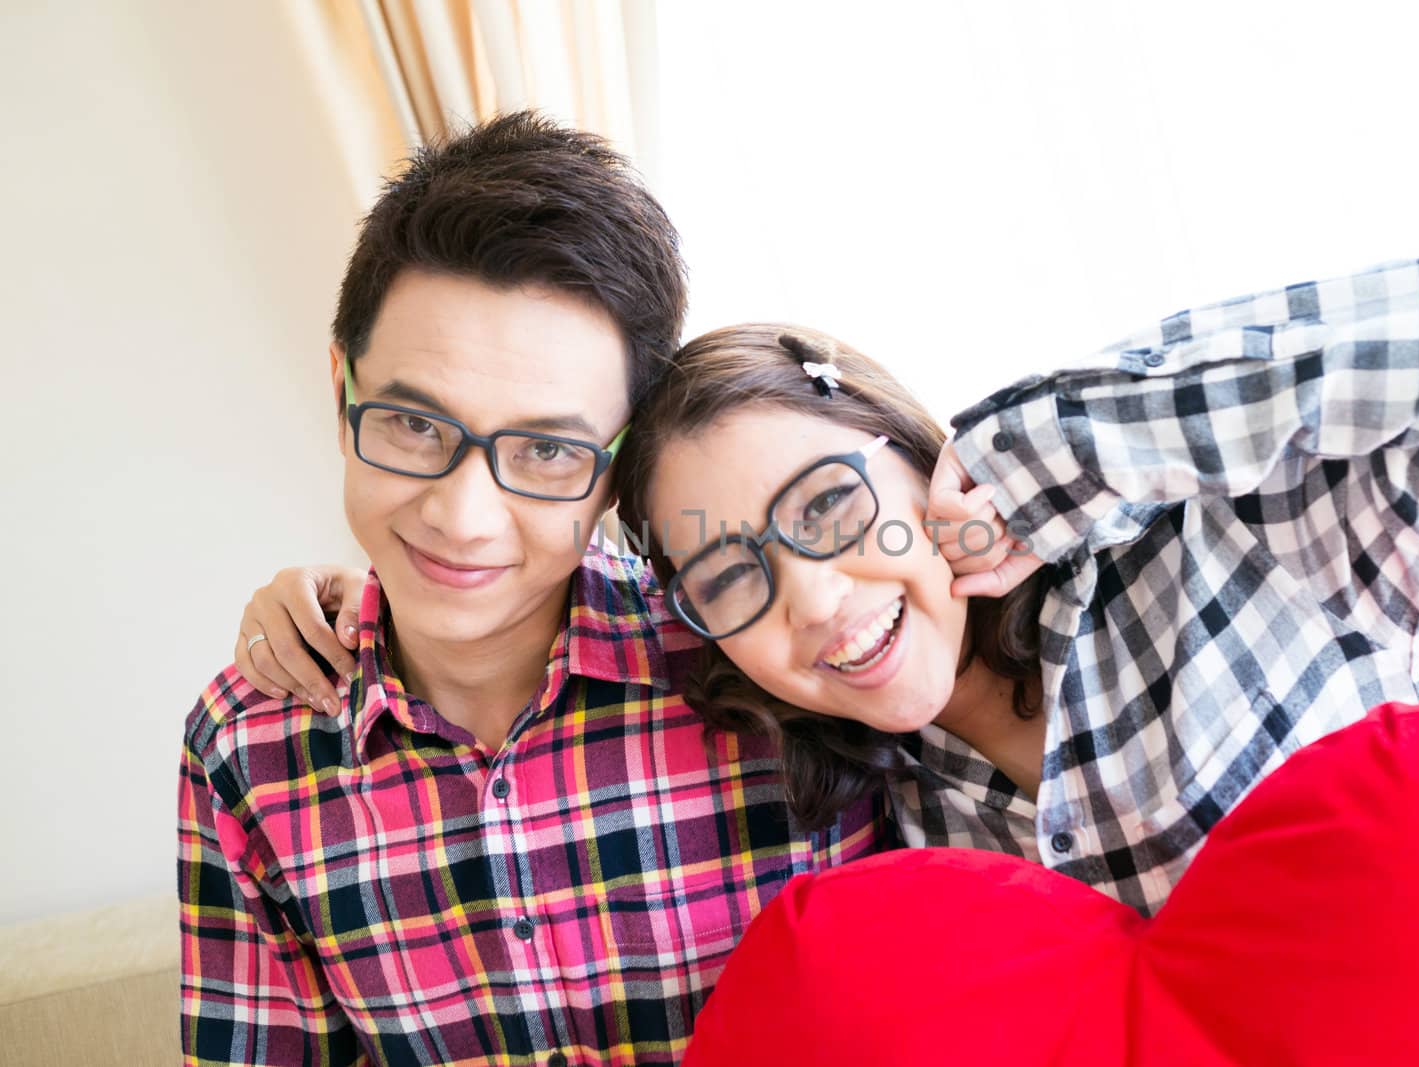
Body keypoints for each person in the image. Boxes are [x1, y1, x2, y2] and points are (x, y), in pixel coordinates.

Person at [247, 251, 1419, 917]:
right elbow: (526, 574)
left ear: (917, 456)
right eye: (733, 576)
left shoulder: (1244, 556)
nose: (823, 604)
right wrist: (365, 597)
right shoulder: (882, 814)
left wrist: (1058, 450)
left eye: (834, 508)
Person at [178, 112, 890, 1067]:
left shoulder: (755, 653)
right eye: (414, 425)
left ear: (621, 461)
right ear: (341, 385)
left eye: (548, 449)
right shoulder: (247, 744)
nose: (463, 516)